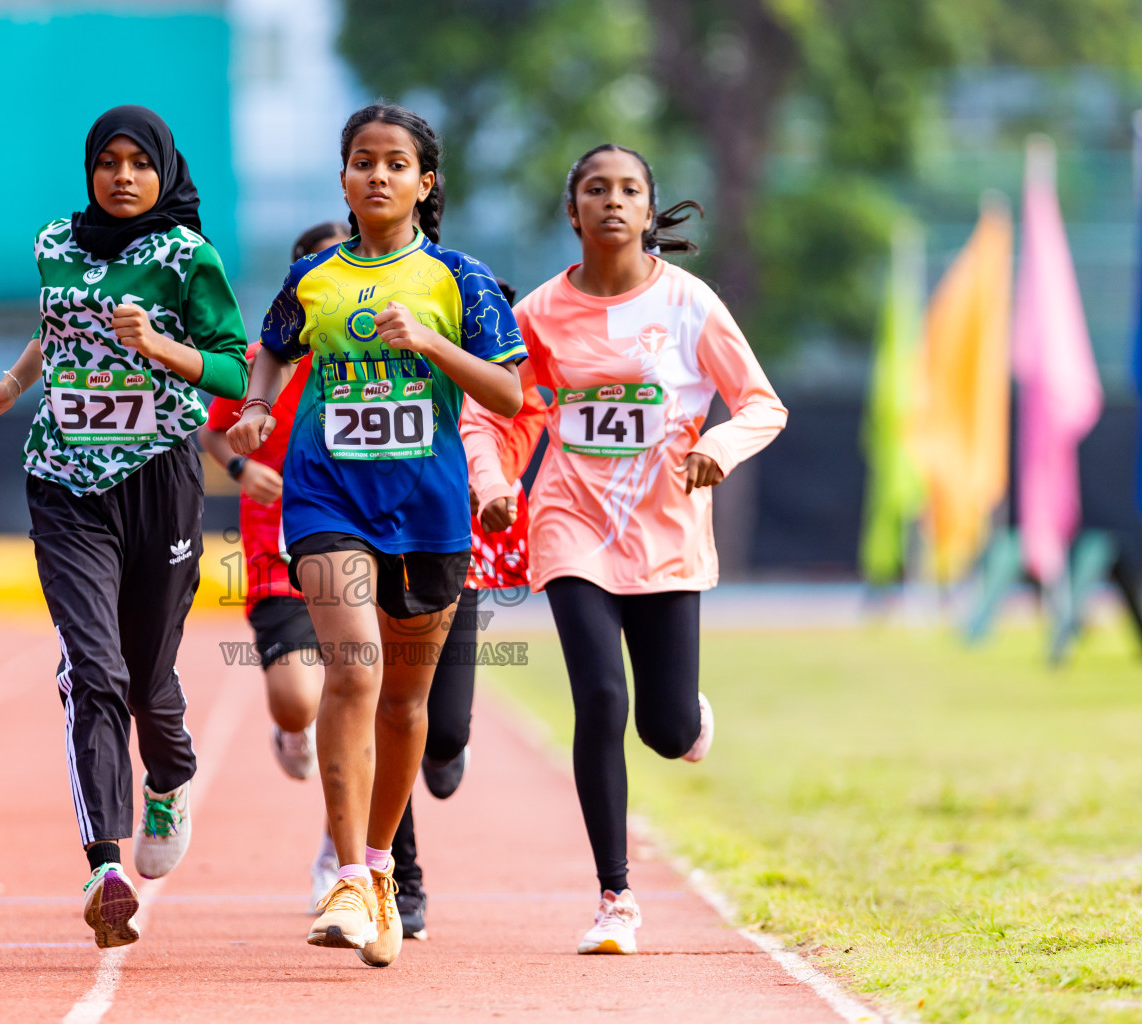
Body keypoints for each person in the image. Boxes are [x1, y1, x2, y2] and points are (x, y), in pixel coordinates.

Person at [461, 143, 787, 955]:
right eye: (595, 190)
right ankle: (616, 898)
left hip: (667, 527)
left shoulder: (691, 305)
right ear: (572, 212)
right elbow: (494, 413)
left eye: (630, 189)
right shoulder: (536, 313)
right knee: (601, 699)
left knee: (666, 730)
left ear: (650, 210)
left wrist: (722, 446)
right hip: (570, 520)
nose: (613, 201)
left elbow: (761, 404)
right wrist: (495, 483)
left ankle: (687, 719)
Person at [228, 103, 525, 968]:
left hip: (428, 509)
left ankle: (386, 867)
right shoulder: (315, 277)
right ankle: (350, 874)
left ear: (425, 183)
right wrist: (254, 410)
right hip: (327, 500)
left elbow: (506, 397)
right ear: (346, 178)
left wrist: (432, 344)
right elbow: (276, 347)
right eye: (363, 161)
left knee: (405, 704)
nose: (379, 175)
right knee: (353, 671)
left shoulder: (460, 279)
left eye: (397, 163)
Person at [0, 105, 248, 949]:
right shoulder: (56, 243)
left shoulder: (188, 257)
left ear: (165, 171)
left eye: (138, 163)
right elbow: (57, 333)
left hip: (157, 473)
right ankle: (103, 864)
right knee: (95, 668)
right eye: (107, 162)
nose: (122, 176)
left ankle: (172, 777)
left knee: (149, 676)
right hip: (64, 477)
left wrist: (165, 348)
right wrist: (11, 387)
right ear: (89, 170)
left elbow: (232, 363)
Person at [197, 219, 350, 911]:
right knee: (299, 700)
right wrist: (240, 466)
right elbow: (212, 425)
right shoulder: (264, 356)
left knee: (358, 703)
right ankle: (291, 728)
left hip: (364, 547)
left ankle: (335, 856)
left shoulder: (376, 357)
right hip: (278, 546)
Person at [389, 277, 547, 942]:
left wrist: (489, 484)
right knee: (382, 709)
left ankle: (445, 745)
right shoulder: (387, 367)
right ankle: (402, 880)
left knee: (443, 730)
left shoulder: (506, 390)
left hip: (459, 552)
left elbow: (503, 439)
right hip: (377, 544)